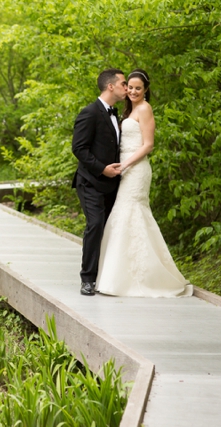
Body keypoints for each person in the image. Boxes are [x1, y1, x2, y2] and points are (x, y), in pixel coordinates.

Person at [96, 69, 192, 297]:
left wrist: (126, 164)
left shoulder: (145, 109)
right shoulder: (130, 111)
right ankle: (118, 276)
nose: (133, 91)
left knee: (133, 213)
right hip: (126, 168)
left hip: (136, 170)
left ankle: (143, 276)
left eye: (138, 88)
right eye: (129, 87)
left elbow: (148, 145)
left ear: (146, 90)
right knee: (123, 215)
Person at [71, 68, 127, 296]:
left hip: (114, 184)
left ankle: (109, 275)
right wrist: (102, 169)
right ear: (110, 86)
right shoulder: (89, 113)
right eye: (123, 83)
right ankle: (87, 279)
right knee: (95, 225)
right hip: (90, 182)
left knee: (113, 228)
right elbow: (79, 148)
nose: (127, 87)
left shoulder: (119, 114)